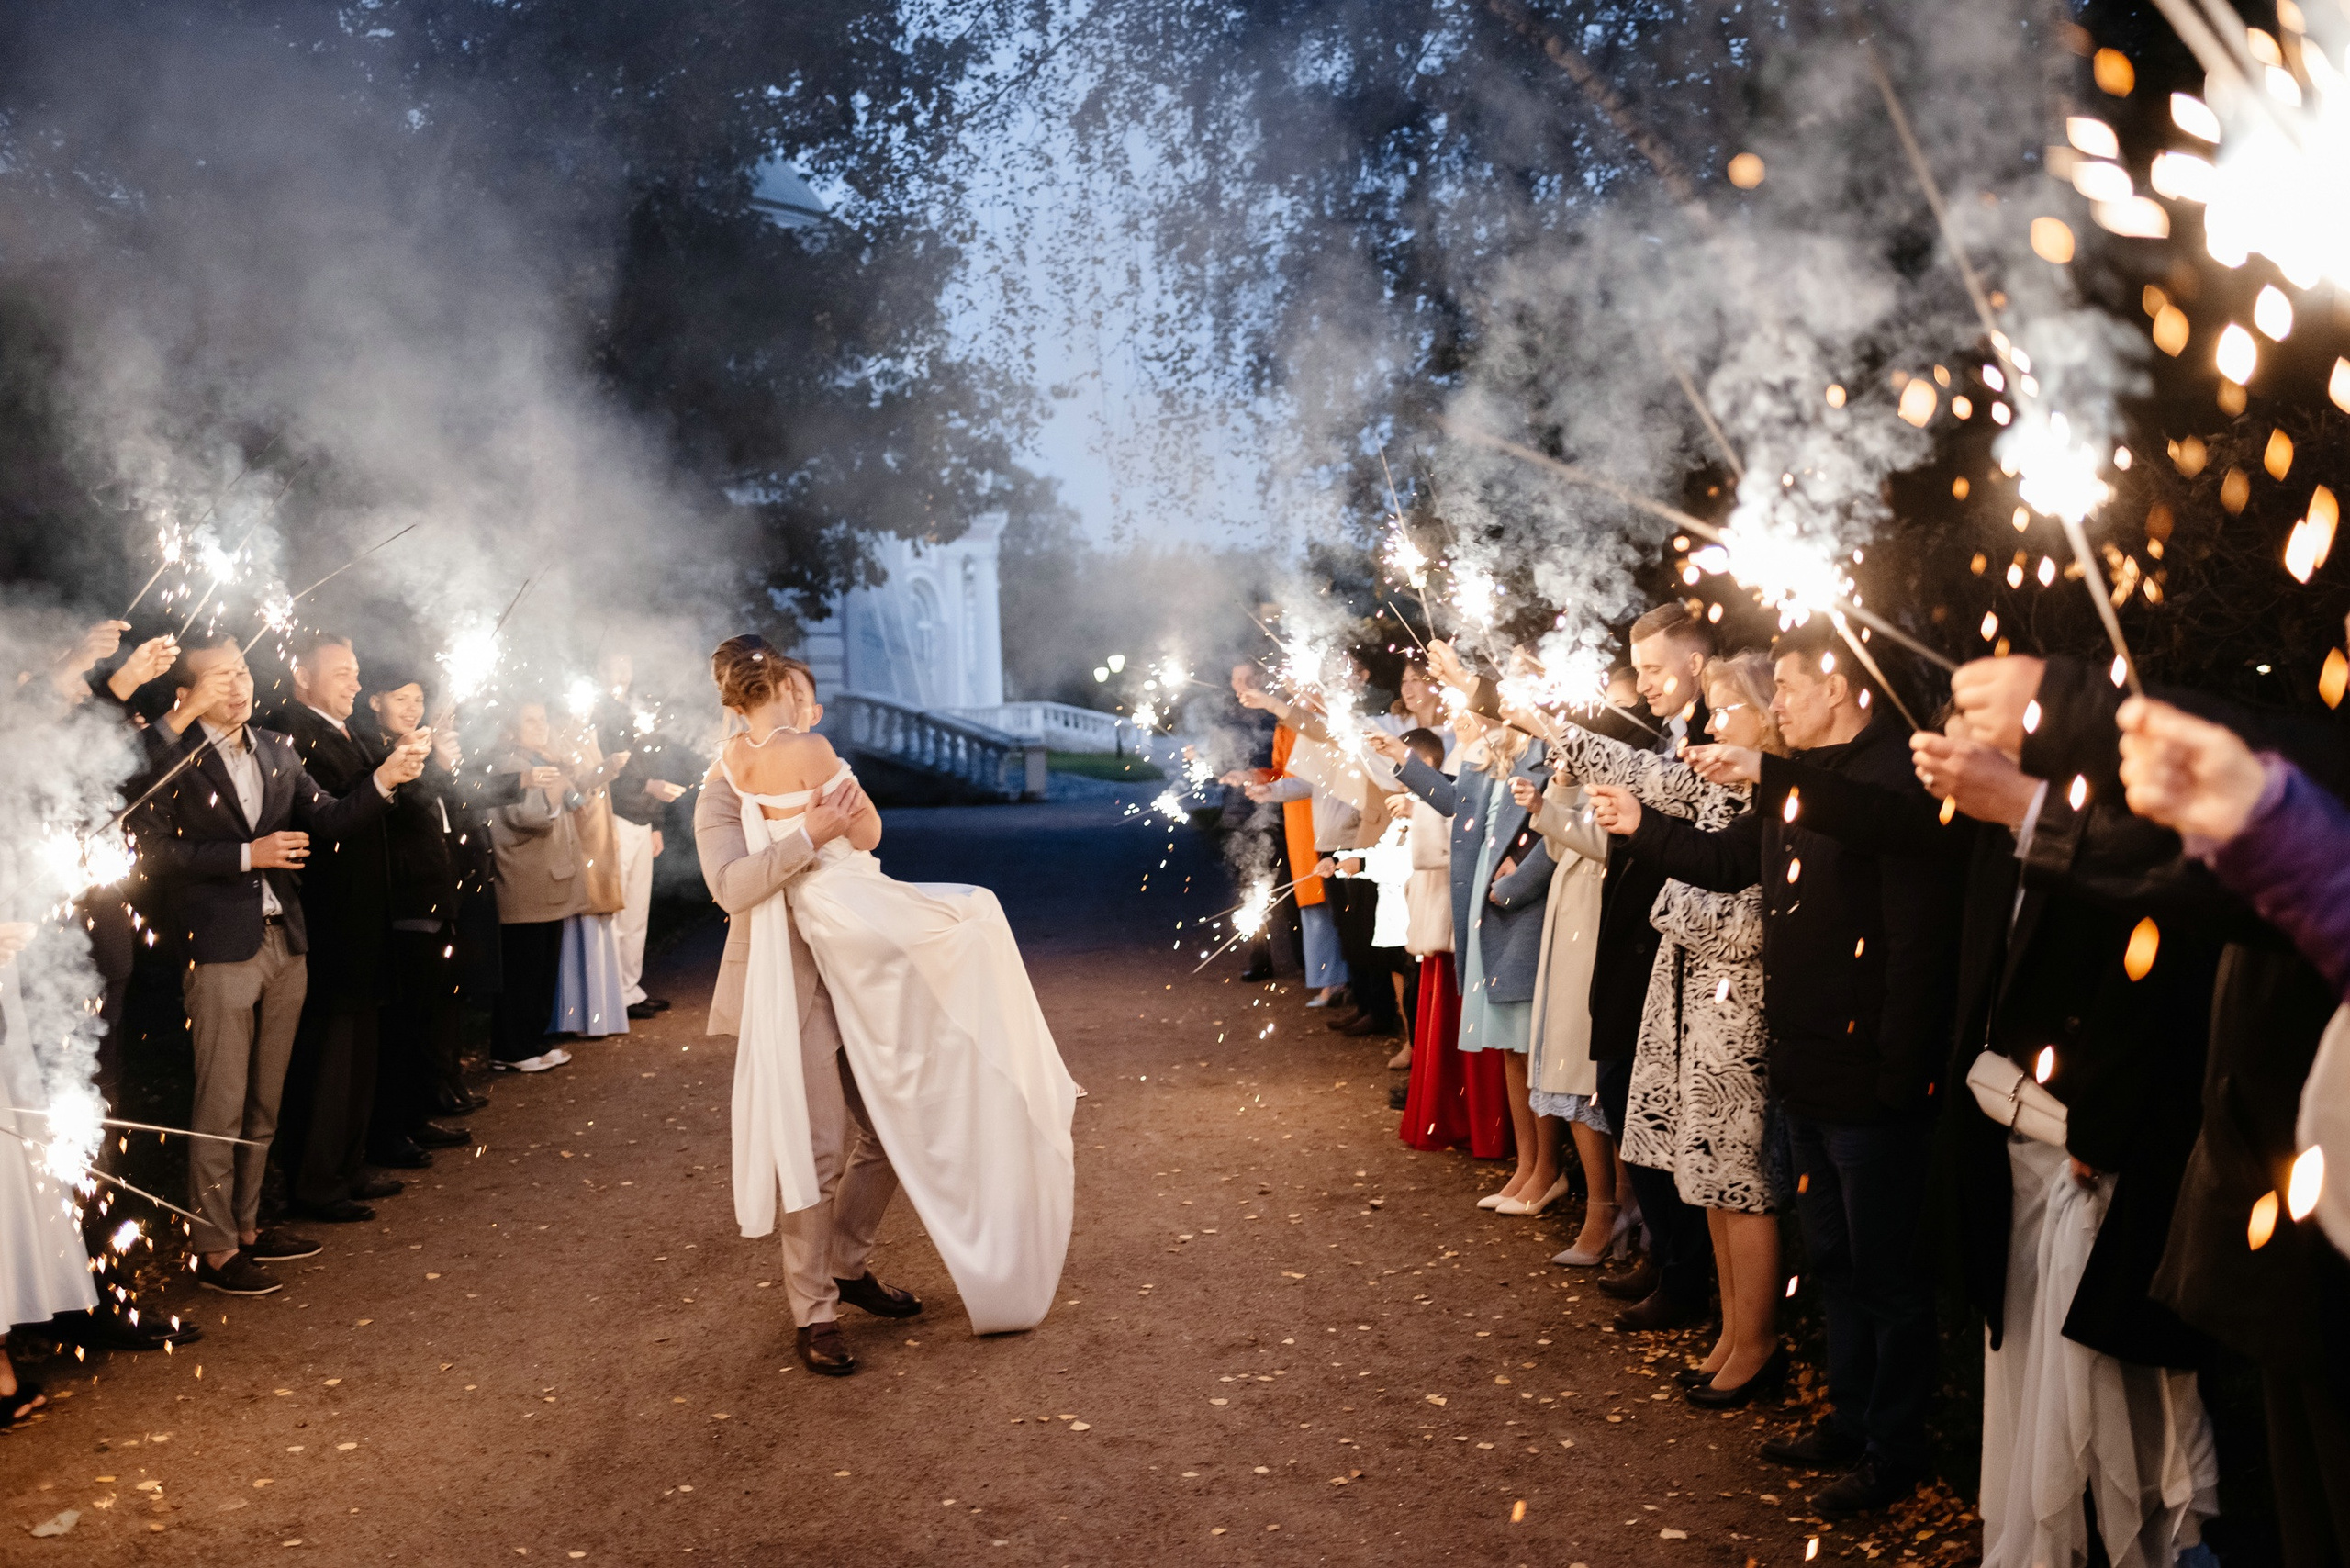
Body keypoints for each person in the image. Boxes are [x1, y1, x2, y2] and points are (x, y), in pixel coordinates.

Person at [1588, 617, 1964, 1514]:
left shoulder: (1890, 775)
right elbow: (1725, 860)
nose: (1777, 703)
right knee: (1832, 1261)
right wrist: (1640, 822)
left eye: (1788, 687)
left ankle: (1893, 1447)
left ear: (1836, 685)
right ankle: (1847, 1414)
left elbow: (1907, 913)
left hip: (1870, 1079)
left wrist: (1897, 1072)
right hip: (1801, 1068)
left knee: (1884, 1271)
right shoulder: (1803, 780)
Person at [698, 635, 1075, 1372]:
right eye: (793, 693)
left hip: (862, 964)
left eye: (807, 695)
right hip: (791, 982)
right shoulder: (718, 787)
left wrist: (851, 811)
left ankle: (847, 1261)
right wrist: (810, 832)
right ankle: (814, 1313)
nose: (805, 706)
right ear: (766, 691)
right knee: (816, 1149)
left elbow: (870, 836)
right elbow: (732, 888)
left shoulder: (815, 755)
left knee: (897, 1124)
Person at [135, 636, 425, 1295]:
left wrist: (386, 778)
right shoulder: (171, 756)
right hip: (219, 948)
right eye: (217, 679)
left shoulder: (274, 747)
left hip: (285, 943)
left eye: (241, 672)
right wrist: (248, 856)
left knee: (266, 1103)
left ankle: (247, 1227)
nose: (237, 686)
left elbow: (329, 818)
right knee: (222, 1104)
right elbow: (151, 852)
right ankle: (211, 1250)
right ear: (185, 697)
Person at [1376, 689, 1558, 1212]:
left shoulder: (1545, 751)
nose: (1465, 721)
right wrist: (1402, 760)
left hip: (1520, 904)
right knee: (1507, 1043)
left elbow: (1553, 825)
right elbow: (1461, 804)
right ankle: (1527, 1166)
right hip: (1486, 904)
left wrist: (1516, 877)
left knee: (1527, 1043)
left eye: (1472, 711)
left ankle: (1547, 1169)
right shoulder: (1491, 756)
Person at [260, 633, 407, 1221]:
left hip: (368, 915)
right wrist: (386, 777)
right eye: (342, 672)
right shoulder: (292, 732)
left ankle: (348, 1162)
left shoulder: (354, 733)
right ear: (303, 676)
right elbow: (330, 818)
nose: (355, 683)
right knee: (328, 1054)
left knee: (360, 1047)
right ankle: (316, 1180)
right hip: (329, 915)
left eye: (356, 671)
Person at [362, 666, 475, 1164]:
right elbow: (405, 809)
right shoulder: (381, 754)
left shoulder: (420, 751)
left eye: (418, 699)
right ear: (375, 702)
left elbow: (461, 814)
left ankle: (415, 1114)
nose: (412, 708)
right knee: (403, 1022)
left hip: (436, 897)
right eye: (401, 699)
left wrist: (445, 765)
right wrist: (425, 764)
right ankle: (391, 1131)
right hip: (403, 902)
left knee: (428, 1014)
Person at [488, 702, 586, 1073]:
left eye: (544, 719)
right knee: (522, 971)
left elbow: (576, 802)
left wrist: (570, 777)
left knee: (541, 969)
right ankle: (511, 1049)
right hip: (523, 882)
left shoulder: (537, 760)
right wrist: (556, 789)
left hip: (546, 882)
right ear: (512, 729)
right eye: (531, 720)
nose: (542, 726)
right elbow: (527, 817)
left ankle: (531, 1041)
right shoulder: (509, 765)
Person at [591, 652, 689, 1021]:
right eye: (613, 665)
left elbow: (650, 765)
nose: (621, 672)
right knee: (617, 911)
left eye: (626, 665)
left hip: (643, 818)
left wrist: (658, 821)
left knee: (636, 913)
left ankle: (630, 990)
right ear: (599, 670)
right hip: (615, 817)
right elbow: (603, 770)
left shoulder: (633, 711)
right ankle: (612, 994)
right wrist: (647, 786)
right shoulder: (598, 714)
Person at [547, 711, 632, 1039]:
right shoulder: (558, 735)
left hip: (597, 837)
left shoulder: (586, 733)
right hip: (579, 842)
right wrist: (603, 770)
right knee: (578, 924)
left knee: (595, 924)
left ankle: (599, 1013)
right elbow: (571, 788)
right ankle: (575, 1016)